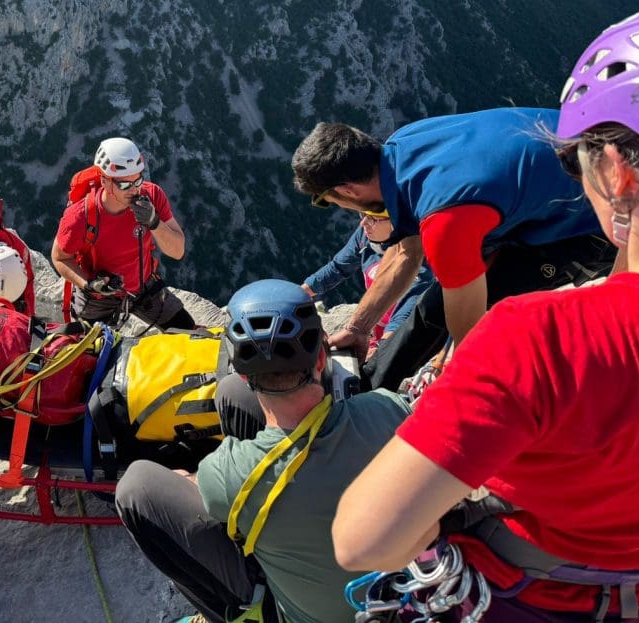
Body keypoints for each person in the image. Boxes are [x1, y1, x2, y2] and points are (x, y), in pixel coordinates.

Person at [333, 4, 639, 622]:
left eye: (574, 161)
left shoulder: (543, 339)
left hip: (522, 599)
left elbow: (363, 540)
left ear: (619, 173)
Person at [115, 279, 410, 623]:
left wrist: (188, 478)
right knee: (231, 398)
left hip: (297, 615)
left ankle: (237, 613)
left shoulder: (229, 475)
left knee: (136, 487)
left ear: (242, 372)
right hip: (400, 597)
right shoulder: (387, 409)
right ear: (321, 359)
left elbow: (193, 485)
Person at [291, 107, 614, 390]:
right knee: (435, 308)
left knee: (468, 307)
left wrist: (452, 373)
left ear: (347, 189)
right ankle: (370, 386)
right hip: (584, 168)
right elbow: (407, 253)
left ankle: (373, 399)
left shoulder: (445, 215)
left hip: (595, 222)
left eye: (327, 201)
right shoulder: (404, 145)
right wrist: (359, 328)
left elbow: (465, 321)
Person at [52, 136, 195, 330]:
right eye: (125, 185)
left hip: (144, 286)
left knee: (187, 330)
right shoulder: (81, 216)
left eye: (138, 180)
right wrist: (89, 284)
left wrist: (154, 222)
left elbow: (177, 251)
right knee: (91, 352)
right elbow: (59, 258)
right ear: (105, 181)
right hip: (100, 295)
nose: (135, 190)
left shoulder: (151, 196)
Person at [301, 213, 433, 352]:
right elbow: (337, 268)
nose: (363, 223)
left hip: (405, 334)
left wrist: (381, 350)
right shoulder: (365, 236)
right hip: (374, 326)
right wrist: (299, 294)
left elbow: (404, 316)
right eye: (363, 214)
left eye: (373, 219)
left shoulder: (421, 263)